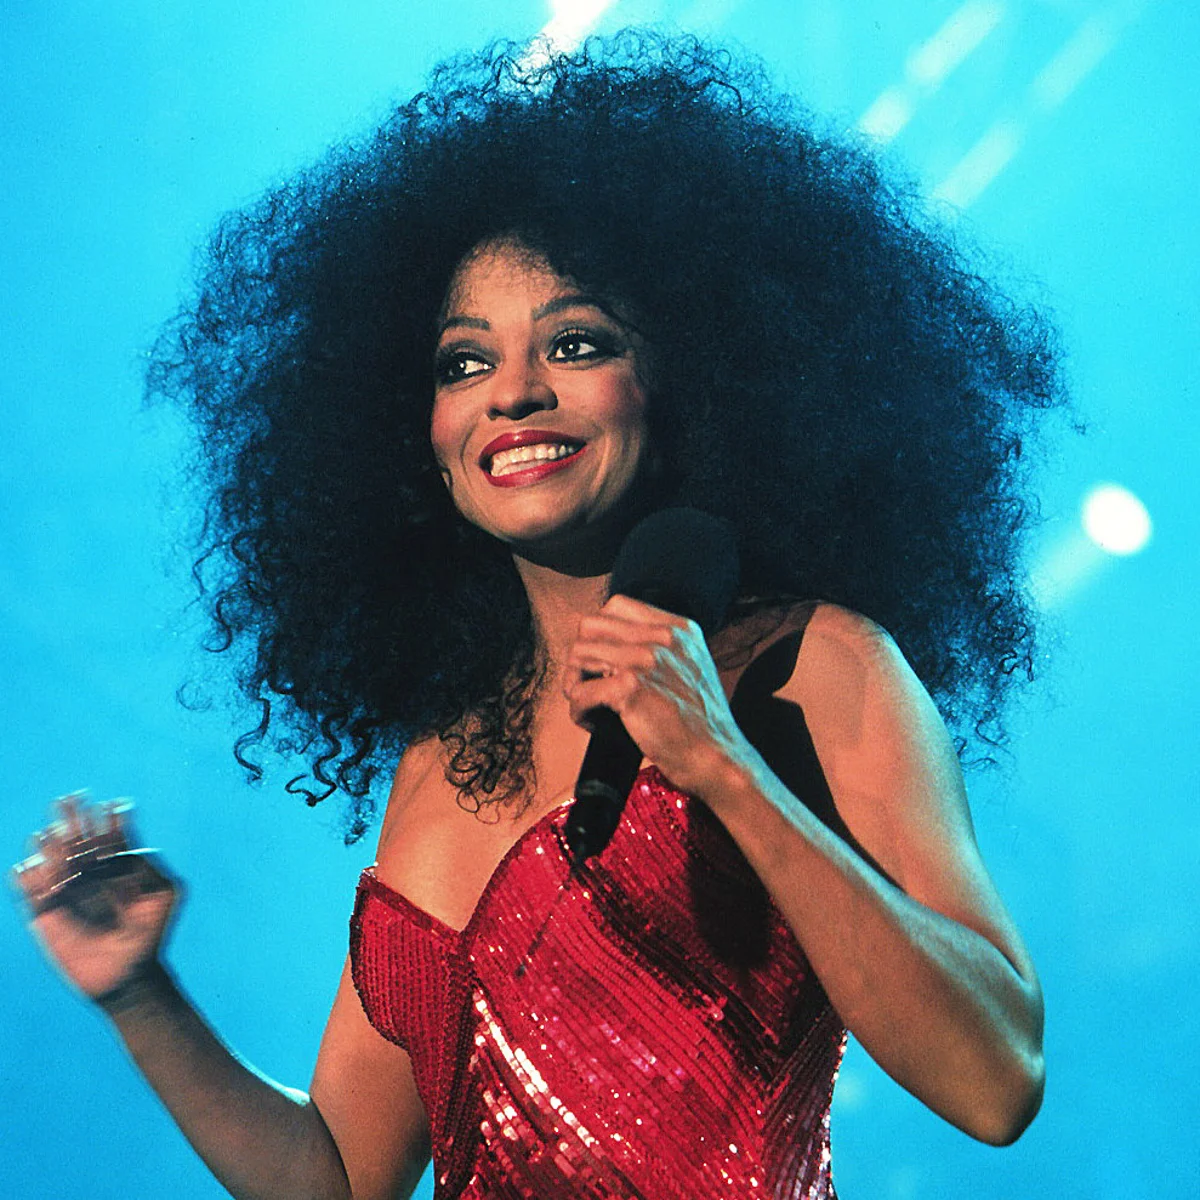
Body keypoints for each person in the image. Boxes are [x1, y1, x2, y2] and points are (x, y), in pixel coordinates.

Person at [12, 31, 1059, 1200]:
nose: (512, 393)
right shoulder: (441, 756)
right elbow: (341, 1181)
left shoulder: (814, 667)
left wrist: (723, 769)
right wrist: (140, 996)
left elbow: (997, 1081)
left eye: (576, 343)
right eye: (463, 362)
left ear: (685, 384)